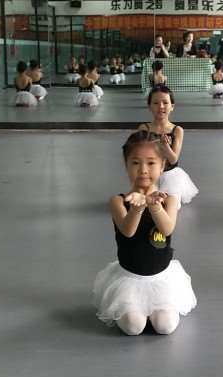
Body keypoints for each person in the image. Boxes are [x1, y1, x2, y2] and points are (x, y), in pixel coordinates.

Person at [92, 130, 197, 335]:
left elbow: (167, 228)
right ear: (126, 165)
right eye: (135, 163)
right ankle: (135, 311)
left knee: (165, 326)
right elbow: (128, 231)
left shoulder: (169, 199)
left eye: (151, 163)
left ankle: (159, 308)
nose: (143, 170)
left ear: (162, 165)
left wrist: (154, 205)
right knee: (133, 327)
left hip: (161, 278)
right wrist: (137, 208)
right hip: (130, 279)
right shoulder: (118, 201)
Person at [138, 86, 198, 207]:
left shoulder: (177, 130)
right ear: (149, 106)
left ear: (172, 106)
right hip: (150, 175)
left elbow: (173, 159)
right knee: (145, 204)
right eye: (156, 103)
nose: (161, 106)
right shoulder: (144, 128)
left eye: (165, 102)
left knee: (169, 205)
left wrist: (165, 146)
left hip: (170, 177)